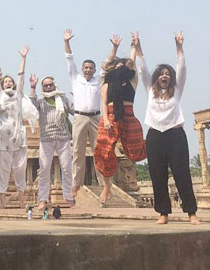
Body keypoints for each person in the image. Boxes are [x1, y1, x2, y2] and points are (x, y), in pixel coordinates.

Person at [134, 31, 199, 225]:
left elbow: (182, 69)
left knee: (182, 173)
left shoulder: (176, 91)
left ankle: (191, 212)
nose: (165, 76)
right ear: (157, 78)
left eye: (167, 74)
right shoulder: (150, 91)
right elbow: (142, 70)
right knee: (157, 174)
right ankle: (163, 213)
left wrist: (179, 48)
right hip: (155, 135)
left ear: (171, 79)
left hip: (175, 134)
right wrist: (138, 48)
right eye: (161, 74)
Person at [94, 34, 146, 204]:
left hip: (128, 115)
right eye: (117, 64)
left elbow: (132, 64)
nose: (121, 66)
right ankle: (107, 186)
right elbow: (103, 103)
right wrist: (107, 120)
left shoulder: (132, 81)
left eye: (123, 65)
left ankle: (161, 147)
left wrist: (133, 46)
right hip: (110, 115)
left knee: (135, 151)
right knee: (104, 151)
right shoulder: (107, 82)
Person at [0, 46, 30, 209]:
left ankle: (21, 199)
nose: (7, 83)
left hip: (18, 135)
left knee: (20, 168)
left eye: (9, 82)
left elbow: (21, 77)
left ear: (12, 84)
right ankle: (2, 199)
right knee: (4, 169)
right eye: (5, 82)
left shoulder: (18, 94)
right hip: (4, 137)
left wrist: (23, 59)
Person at [63, 29, 102, 199]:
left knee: (99, 151)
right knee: (77, 152)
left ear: (94, 70)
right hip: (79, 117)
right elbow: (69, 59)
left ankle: (104, 184)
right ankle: (75, 185)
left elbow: (108, 64)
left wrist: (115, 48)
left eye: (91, 68)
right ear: (82, 69)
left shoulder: (98, 81)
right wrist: (66, 42)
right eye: (85, 67)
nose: (88, 70)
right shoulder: (75, 78)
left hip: (95, 117)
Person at [29, 75, 75, 210]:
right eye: (45, 85)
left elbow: (75, 111)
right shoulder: (41, 101)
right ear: (42, 87)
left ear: (54, 85)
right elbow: (31, 104)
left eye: (50, 85)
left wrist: (78, 97)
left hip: (63, 137)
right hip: (46, 138)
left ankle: (69, 197)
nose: (48, 87)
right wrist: (32, 87)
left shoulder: (63, 99)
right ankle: (42, 199)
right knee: (44, 170)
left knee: (67, 168)